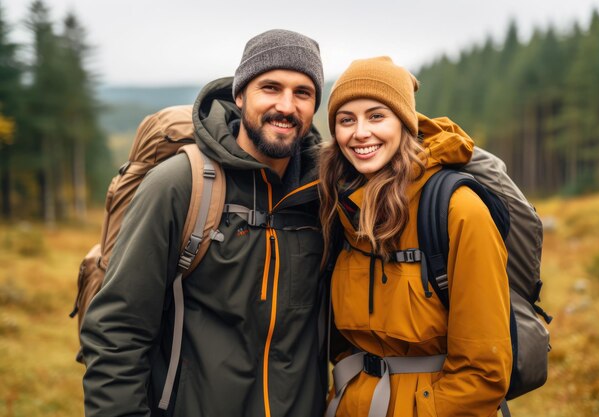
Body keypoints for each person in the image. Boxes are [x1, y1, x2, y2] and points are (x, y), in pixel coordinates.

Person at [80, 29, 328, 417]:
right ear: (240, 94)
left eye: (302, 93)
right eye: (271, 87)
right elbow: (117, 331)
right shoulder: (179, 184)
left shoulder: (323, 194)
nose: (286, 105)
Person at [318, 56, 512, 417]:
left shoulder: (459, 211)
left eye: (377, 116)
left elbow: (484, 371)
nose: (360, 132)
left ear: (405, 123)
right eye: (346, 120)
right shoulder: (340, 209)